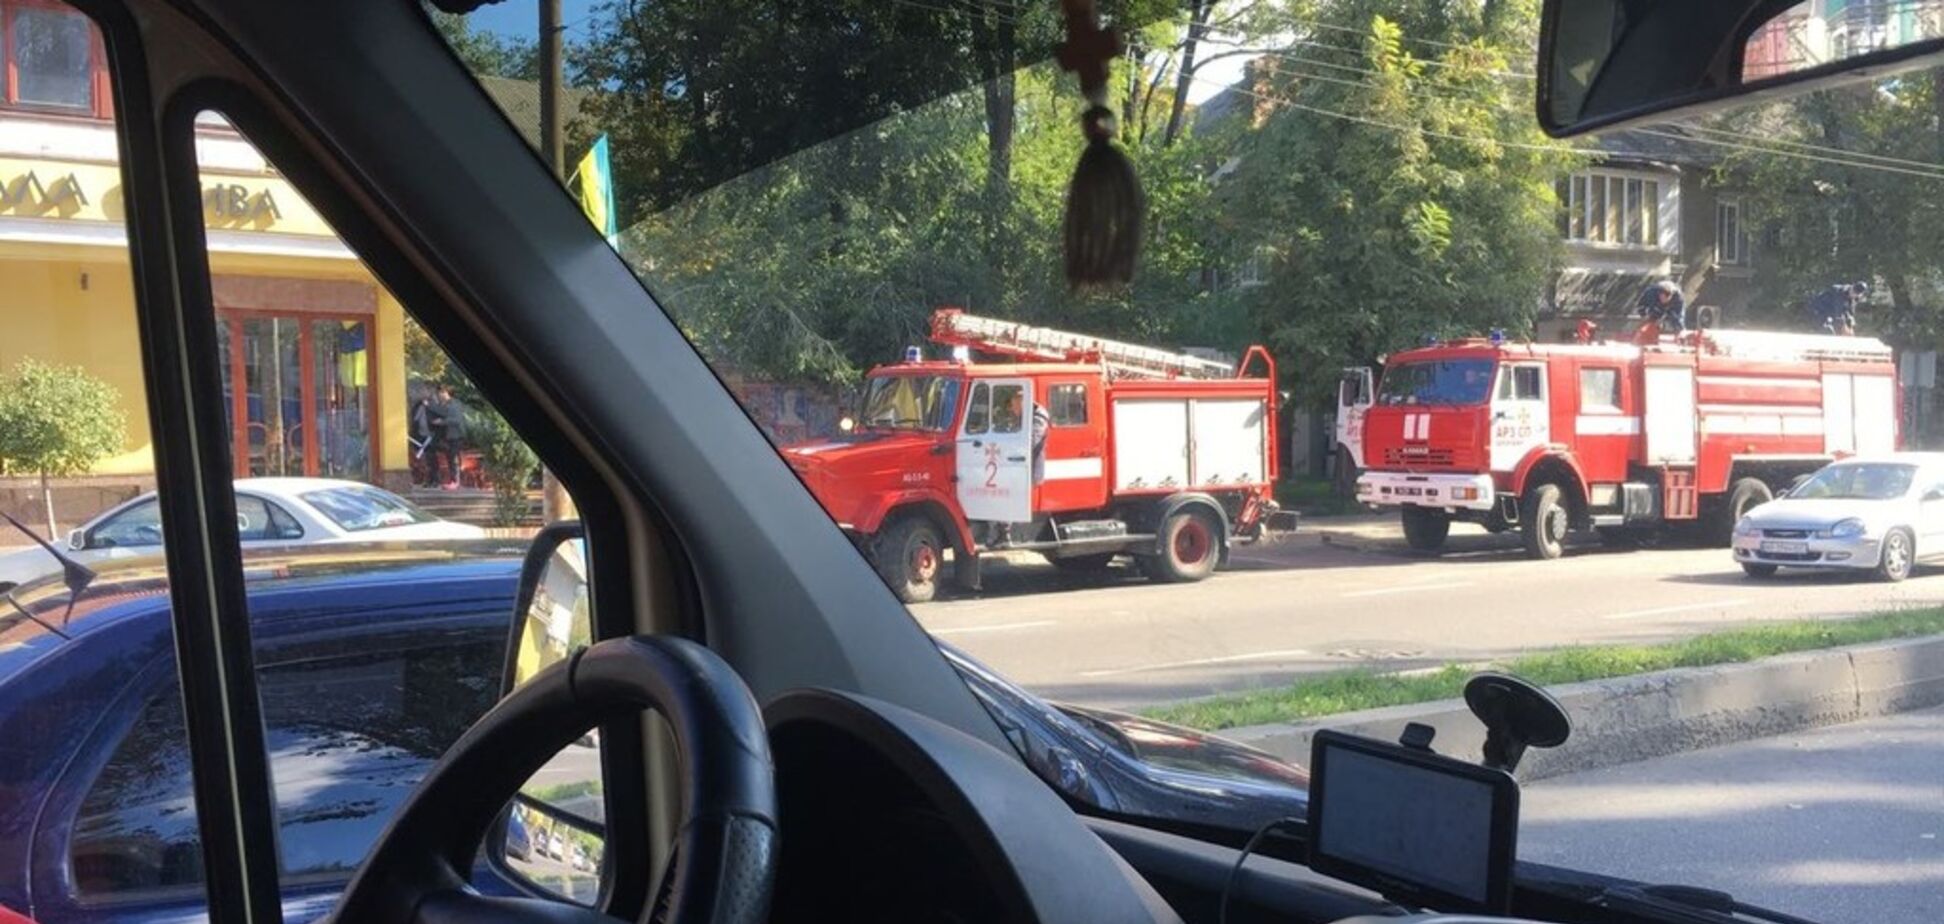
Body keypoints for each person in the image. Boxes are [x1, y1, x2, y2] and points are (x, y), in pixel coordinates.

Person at [426, 385, 463, 490]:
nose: (440, 395)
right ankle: (450, 480)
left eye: (442, 393)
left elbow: (456, 420)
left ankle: (455, 481)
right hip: (447, 436)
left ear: (447, 393)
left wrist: (442, 422)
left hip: (455, 435)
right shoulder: (444, 404)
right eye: (439, 393)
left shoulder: (454, 405)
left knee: (453, 458)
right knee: (449, 457)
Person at [408, 386, 434, 487]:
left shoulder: (433, 404)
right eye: (421, 391)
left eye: (425, 390)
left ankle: (432, 479)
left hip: (430, 436)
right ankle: (423, 479)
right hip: (419, 436)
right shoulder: (417, 405)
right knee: (421, 459)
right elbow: (415, 420)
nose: (422, 393)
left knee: (430, 458)